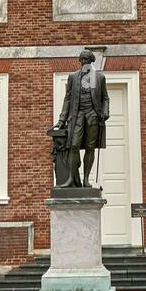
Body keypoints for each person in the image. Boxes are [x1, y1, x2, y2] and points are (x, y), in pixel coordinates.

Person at [56, 49, 109, 187]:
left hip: (92, 115)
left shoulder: (99, 78)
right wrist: (62, 119)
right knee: (74, 145)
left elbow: (105, 98)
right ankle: (71, 179)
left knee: (90, 148)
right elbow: (67, 99)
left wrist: (105, 112)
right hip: (77, 114)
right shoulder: (73, 77)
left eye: (87, 60)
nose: (84, 62)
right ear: (80, 61)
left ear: (91, 62)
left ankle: (86, 179)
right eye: (82, 60)